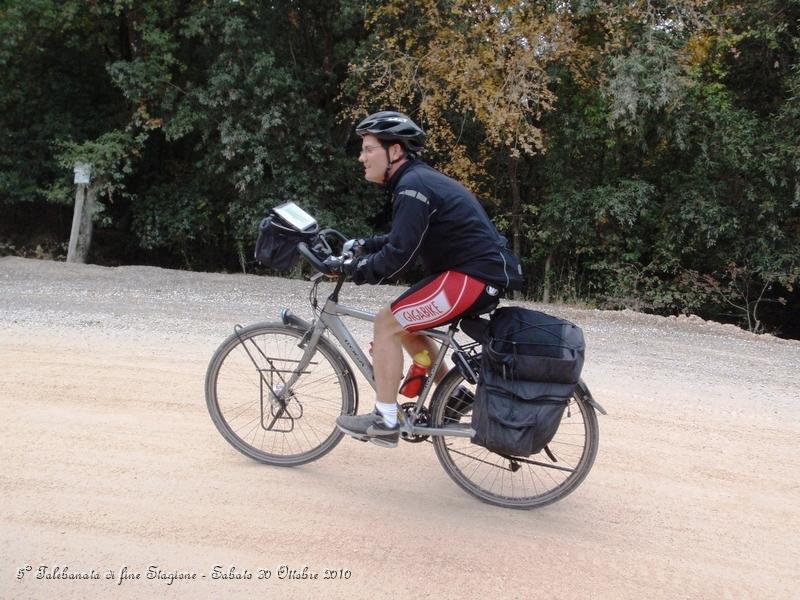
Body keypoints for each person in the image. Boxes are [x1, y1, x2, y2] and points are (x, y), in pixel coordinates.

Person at [332, 110, 523, 447]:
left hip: (471, 276)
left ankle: (385, 420)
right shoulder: (414, 183)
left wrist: (353, 271)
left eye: (368, 148)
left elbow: (399, 255)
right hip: (473, 274)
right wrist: (362, 245)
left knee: (386, 322)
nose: (361, 157)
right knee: (405, 322)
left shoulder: (412, 186)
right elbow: (402, 239)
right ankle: (453, 397)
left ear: (394, 152)